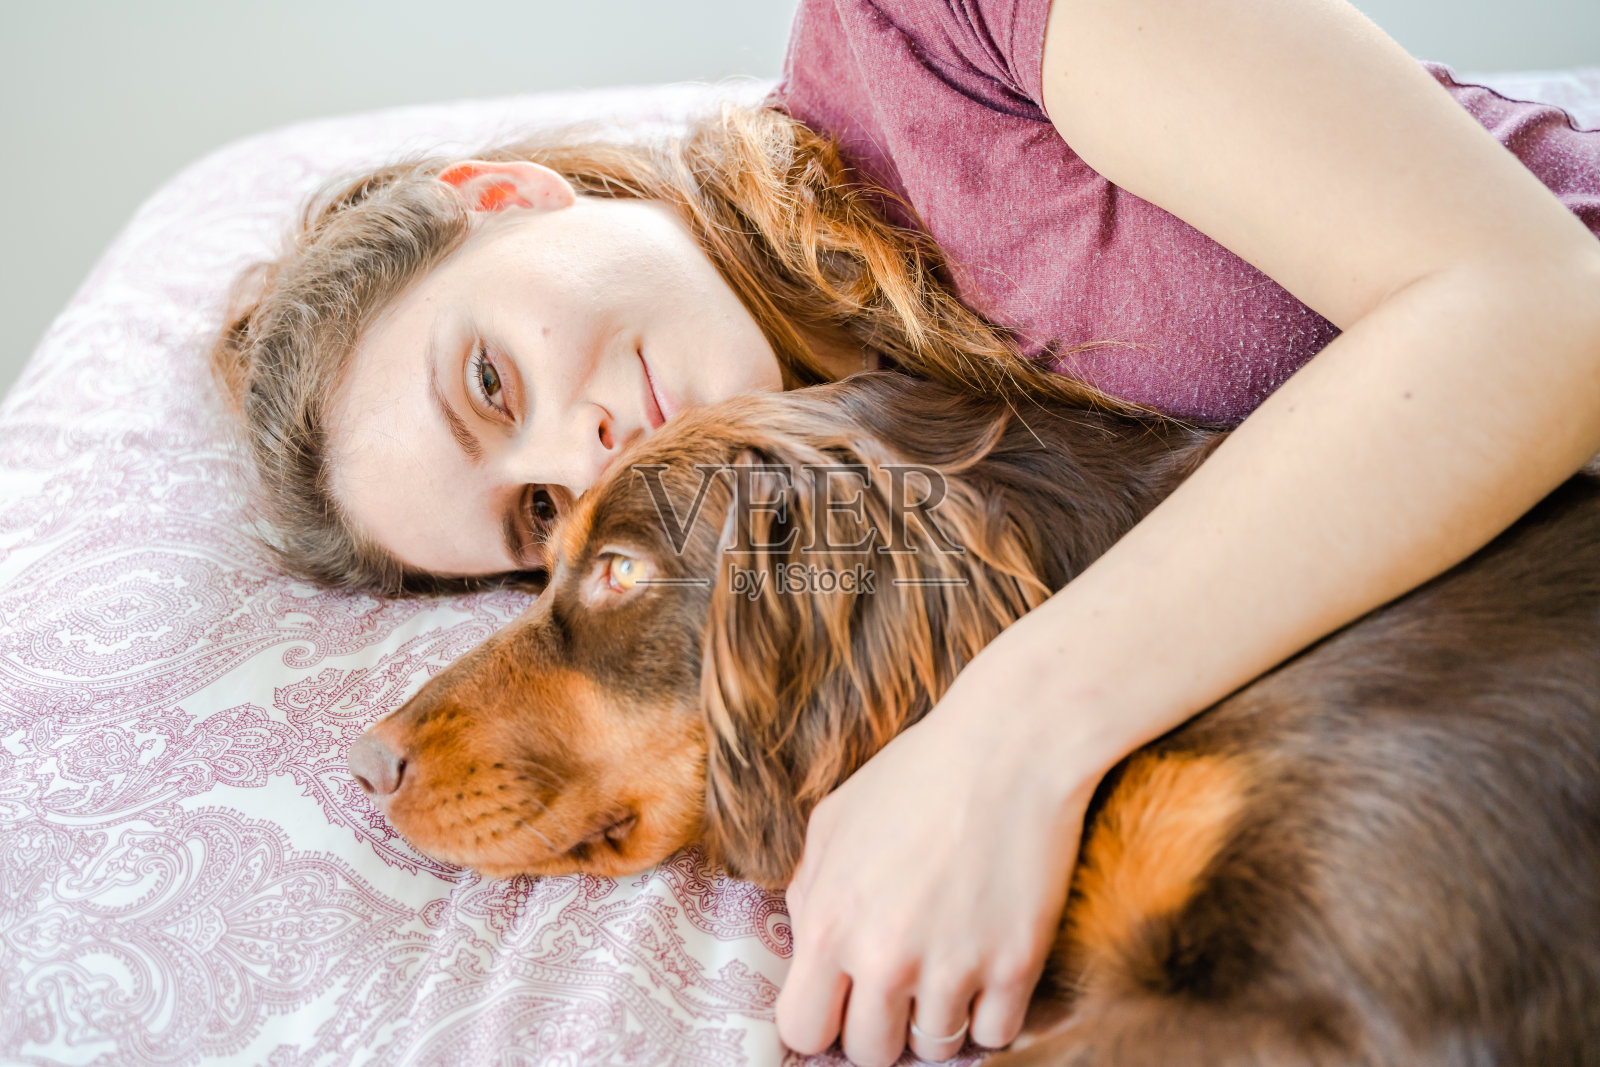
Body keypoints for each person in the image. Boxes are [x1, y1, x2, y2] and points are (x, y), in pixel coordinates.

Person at [213, 0, 1600, 1063]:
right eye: (534, 519)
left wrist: (1004, 741)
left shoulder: (922, 34)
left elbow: (1542, 299)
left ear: (506, 198)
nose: (580, 459)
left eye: (491, 380)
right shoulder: (853, 500)